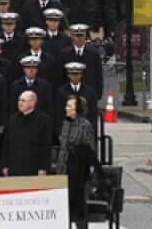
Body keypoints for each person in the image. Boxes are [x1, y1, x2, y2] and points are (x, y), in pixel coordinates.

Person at [55, 96, 97, 229]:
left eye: (70, 106)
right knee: (64, 208)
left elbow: (90, 150)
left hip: (78, 173)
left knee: (79, 209)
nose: (66, 108)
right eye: (66, 106)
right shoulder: (66, 123)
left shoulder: (85, 125)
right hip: (63, 170)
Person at [1, 91, 49, 177]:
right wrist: (5, 165)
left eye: (23, 100)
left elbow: (45, 146)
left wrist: (43, 168)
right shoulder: (12, 119)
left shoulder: (43, 120)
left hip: (33, 168)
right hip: (14, 168)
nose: (20, 103)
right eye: (19, 100)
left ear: (32, 102)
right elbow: (6, 144)